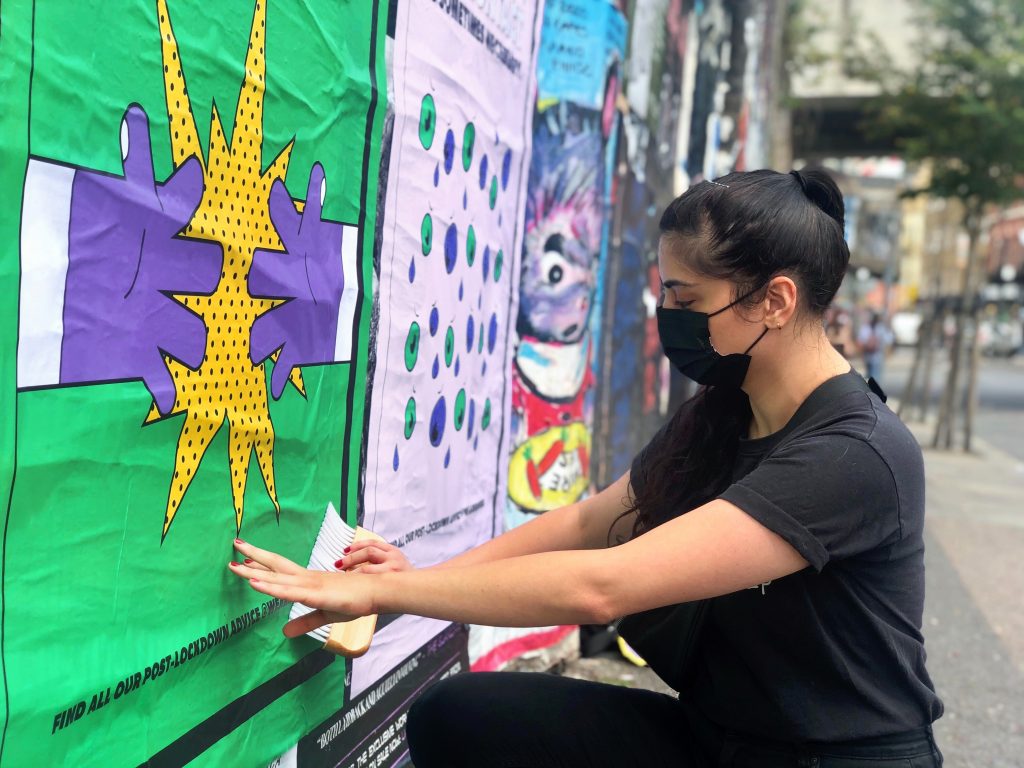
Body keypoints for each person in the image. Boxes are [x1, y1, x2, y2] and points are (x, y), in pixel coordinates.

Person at [228, 168, 944, 767]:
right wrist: (413, 577)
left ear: (775, 301)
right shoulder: (724, 412)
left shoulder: (856, 454)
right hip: (715, 736)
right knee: (460, 717)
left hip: (838, 758)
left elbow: (603, 586)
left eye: (686, 298)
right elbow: (591, 522)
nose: (667, 314)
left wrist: (398, 599)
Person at [858, 310, 894, 383]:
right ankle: (874, 391)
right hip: (878, 355)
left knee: (869, 374)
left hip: (868, 355)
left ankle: (869, 390)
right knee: (876, 376)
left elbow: (861, 340)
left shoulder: (865, 327)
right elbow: (889, 339)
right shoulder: (881, 327)